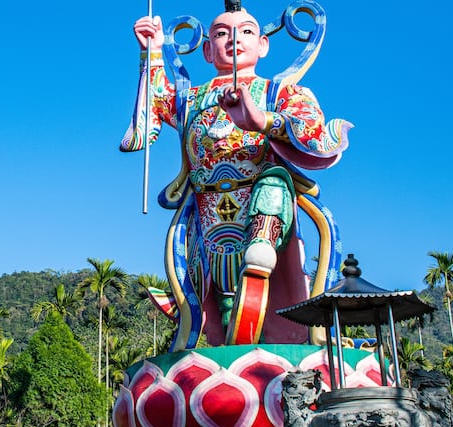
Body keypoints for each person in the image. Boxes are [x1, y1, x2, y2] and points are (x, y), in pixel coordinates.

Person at [121, 2, 350, 349]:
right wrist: (150, 53)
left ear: (263, 45)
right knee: (220, 298)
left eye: (245, 31)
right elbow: (151, 110)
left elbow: (312, 130)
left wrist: (262, 121)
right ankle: (226, 344)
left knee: (273, 185)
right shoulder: (192, 99)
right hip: (207, 211)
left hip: (262, 202)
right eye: (221, 33)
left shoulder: (279, 93)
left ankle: (261, 257)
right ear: (207, 49)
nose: (234, 39)